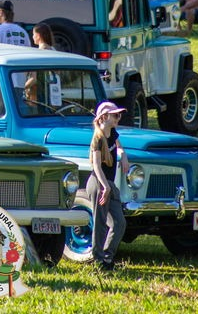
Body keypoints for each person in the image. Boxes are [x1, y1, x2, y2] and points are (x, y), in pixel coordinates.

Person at [87, 101, 129, 270]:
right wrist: (105, 187)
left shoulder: (113, 133)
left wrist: (123, 155)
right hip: (99, 183)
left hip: (109, 184)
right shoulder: (98, 139)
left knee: (120, 222)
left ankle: (107, 257)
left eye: (119, 115)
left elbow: (119, 147)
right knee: (100, 223)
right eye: (115, 115)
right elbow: (96, 166)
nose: (118, 118)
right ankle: (98, 261)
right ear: (104, 117)